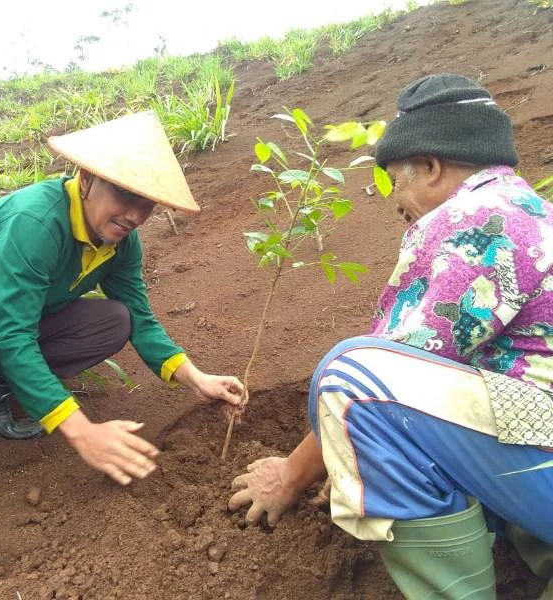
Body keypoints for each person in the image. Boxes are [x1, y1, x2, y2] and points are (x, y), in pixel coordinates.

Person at [0, 110, 245, 560]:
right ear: (86, 179)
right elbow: (12, 332)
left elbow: (139, 315)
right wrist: (81, 431)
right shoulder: (38, 220)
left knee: (113, 319)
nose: (136, 215)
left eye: (148, 204)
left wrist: (194, 377)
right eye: (125, 193)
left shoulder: (119, 241)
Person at [227, 74, 553, 598]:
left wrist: (292, 473)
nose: (395, 205)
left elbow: (389, 374)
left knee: (352, 375)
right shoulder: (530, 212)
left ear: (430, 166)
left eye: (395, 181)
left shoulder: (477, 220)